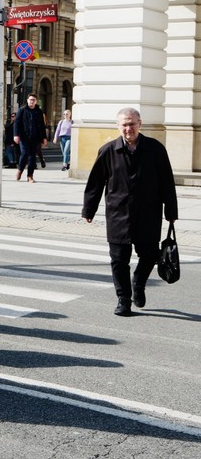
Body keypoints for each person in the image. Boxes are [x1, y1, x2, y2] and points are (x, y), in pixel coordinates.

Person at [83, 108, 178, 316]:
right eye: (124, 124)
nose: (128, 128)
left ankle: (138, 283)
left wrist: (171, 211)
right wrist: (89, 208)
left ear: (140, 124)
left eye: (132, 123)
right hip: (118, 214)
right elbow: (95, 183)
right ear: (118, 127)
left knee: (150, 255)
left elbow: (167, 183)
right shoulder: (108, 150)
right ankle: (123, 299)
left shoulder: (155, 149)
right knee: (118, 260)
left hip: (148, 214)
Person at [13, 94, 47, 182]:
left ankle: (30, 176)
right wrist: (16, 135)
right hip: (24, 137)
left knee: (32, 157)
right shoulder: (22, 110)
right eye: (30, 99)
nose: (32, 101)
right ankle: (20, 170)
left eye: (34, 100)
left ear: (36, 101)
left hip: (35, 138)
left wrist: (44, 137)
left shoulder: (38, 111)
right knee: (24, 154)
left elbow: (42, 125)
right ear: (27, 100)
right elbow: (16, 123)